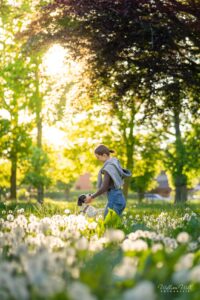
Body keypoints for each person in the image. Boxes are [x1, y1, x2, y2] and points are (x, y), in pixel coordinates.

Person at [85, 144, 132, 218]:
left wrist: (92, 197)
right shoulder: (115, 163)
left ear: (104, 155)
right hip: (119, 197)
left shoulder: (108, 168)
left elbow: (104, 187)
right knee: (113, 223)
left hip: (115, 200)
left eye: (98, 157)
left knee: (108, 224)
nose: (98, 159)